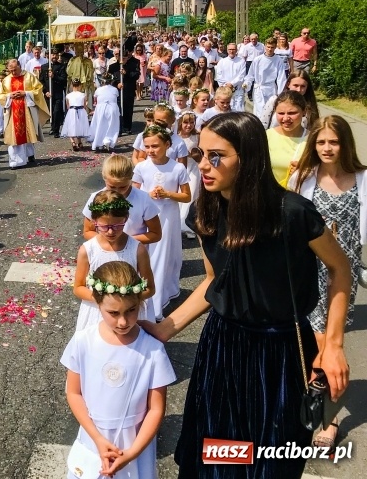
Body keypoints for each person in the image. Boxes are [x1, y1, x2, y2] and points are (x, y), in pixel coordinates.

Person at [141, 112, 350, 479]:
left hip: (281, 352)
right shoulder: (206, 211)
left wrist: (332, 345)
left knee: (270, 460)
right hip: (223, 349)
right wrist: (165, 328)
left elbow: (340, 268)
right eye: (201, 155)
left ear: (249, 157)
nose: (204, 165)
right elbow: (213, 280)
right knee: (222, 458)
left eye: (216, 156)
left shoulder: (293, 212)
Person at [290, 115, 367, 448]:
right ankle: (316, 402)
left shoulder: (362, 179)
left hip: (340, 276)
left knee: (330, 343)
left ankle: (330, 416)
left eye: (333, 142)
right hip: (308, 273)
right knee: (317, 344)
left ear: (344, 144)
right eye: (320, 142)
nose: (326, 148)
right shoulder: (302, 178)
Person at [62, 260, 175, 479]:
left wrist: (132, 453)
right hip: (93, 437)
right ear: (97, 303)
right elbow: (73, 392)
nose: (123, 321)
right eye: (113, 313)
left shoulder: (152, 350)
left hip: (133, 444)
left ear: (140, 302)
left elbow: (156, 409)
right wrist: (97, 438)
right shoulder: (83, 341)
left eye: (131, 310)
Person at [73, 192, 156, 331]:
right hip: (97, 312)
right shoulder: (87, 250)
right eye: (104, 226)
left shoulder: (138, 250)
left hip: (128, 313)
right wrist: (104, 300)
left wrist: (128, 301)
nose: (111, 232)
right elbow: (78, 287)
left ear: (126, 218)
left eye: (118, 225)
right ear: (94, 221)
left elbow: (150, 288)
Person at [133, 125, 191, 320]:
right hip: (147, 215)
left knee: (163, 255)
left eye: (155, 146)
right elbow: (133, 193)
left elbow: (186, 196)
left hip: (168, 216)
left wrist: (168, 194)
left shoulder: (177, 167)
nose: (150, 151)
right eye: (147, 146)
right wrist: (147, 195)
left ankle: (159, 297)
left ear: (167, 145)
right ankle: (144, 293)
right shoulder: (141, 167)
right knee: (146, 254)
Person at [82, 154, 163, 245]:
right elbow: (88, 231)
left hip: (135, 253)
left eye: (123, 187)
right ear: (104, 177)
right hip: (104, 250)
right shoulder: (95, 198)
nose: (117, 191)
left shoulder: (143, 199)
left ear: (131, 178)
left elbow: (156, 234)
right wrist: (107, 240)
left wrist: (126, 241)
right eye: (112, 187)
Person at [0, 58, 50, 169]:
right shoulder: (6, 80)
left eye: (15, 70)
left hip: (27, 110)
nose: (13, 73)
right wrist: (10, 95)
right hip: (12, 111)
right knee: (14, 137)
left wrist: (26, 93)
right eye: (11, 70)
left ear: (20, 66)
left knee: (29, 133)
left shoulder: (29, 77)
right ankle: (17, 161)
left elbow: (38, 89)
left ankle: (30, 155)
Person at [267, 91, 308, 187]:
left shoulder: (313, 139)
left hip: (298, 197)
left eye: (292, 113)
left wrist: (307, 172)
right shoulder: (266, 136)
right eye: (281, 113)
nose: (286, 118)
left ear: (304, 111)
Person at [176, 111, 201, 239]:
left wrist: (196, 154)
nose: (189, 125)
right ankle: (178, 222)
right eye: (186, 122)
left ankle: (188, 225)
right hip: (180, 168)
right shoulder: (176, 137)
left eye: (192, 122)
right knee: (180, 194)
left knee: (192, 193)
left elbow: (201, 151)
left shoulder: (197, 136)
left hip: (194, 168)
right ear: (180, 123)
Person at [246, 37, 284, 119]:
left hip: (271, 89)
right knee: (259, 112)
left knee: (271, 111)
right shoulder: (257, 59)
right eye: (268, 47)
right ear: (265, 46)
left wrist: (280, 93)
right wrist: (247, 84)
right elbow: (250, 75)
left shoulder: (278, 60)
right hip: (259, 88)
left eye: (272, 47)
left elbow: (281, 78)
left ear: (275, 47)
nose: (270, 49)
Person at [109, 50, 140, 135]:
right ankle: (118, 128)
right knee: (117, 110)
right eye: (121, 58)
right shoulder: (112, 67)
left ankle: (127, 127)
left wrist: (126, 73)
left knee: (128, 110)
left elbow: (136, 75)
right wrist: (116, 83)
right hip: (117, 92)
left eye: (124, 58)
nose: (122, 60)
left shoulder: (132, 65)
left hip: (128, 91)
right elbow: (110, 79)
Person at [88, 74, 119, 153]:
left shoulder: (99, 90)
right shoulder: (115, 89)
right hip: (112, 107)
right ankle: (108, 141)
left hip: (102, 108)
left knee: (100, 125)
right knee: (112, 125)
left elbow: (95, 99)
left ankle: (100, 142)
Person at [215, 43, 247, 112]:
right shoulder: (222, 61)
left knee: (238, 112)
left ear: (236, 50)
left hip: (237, 90)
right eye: (230, 49)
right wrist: (226, 85)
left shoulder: (241, 61)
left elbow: (242, 75)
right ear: (227, 50)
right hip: (225, 91)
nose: (231, 51)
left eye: (233, 49)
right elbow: (219, 76)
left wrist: (232, 84)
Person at [62, 78, 91, 151]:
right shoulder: (83, 95)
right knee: (79, 126)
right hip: (81, 111)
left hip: (72, 111)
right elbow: (84, 105)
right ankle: (80, 142)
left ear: (72, 85)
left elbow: (68, 106)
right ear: (80, 85)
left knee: (71, 126)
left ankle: (73, 142)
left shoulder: (68, 95)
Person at [66, 43, 95, 110]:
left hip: (85, 86)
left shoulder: (88, 61)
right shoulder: (72, 60)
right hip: (75, 85)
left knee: (85, 104)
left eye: (81, 51)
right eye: (78, 51)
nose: (79, 53)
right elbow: (69, 72)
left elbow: (90, 74)